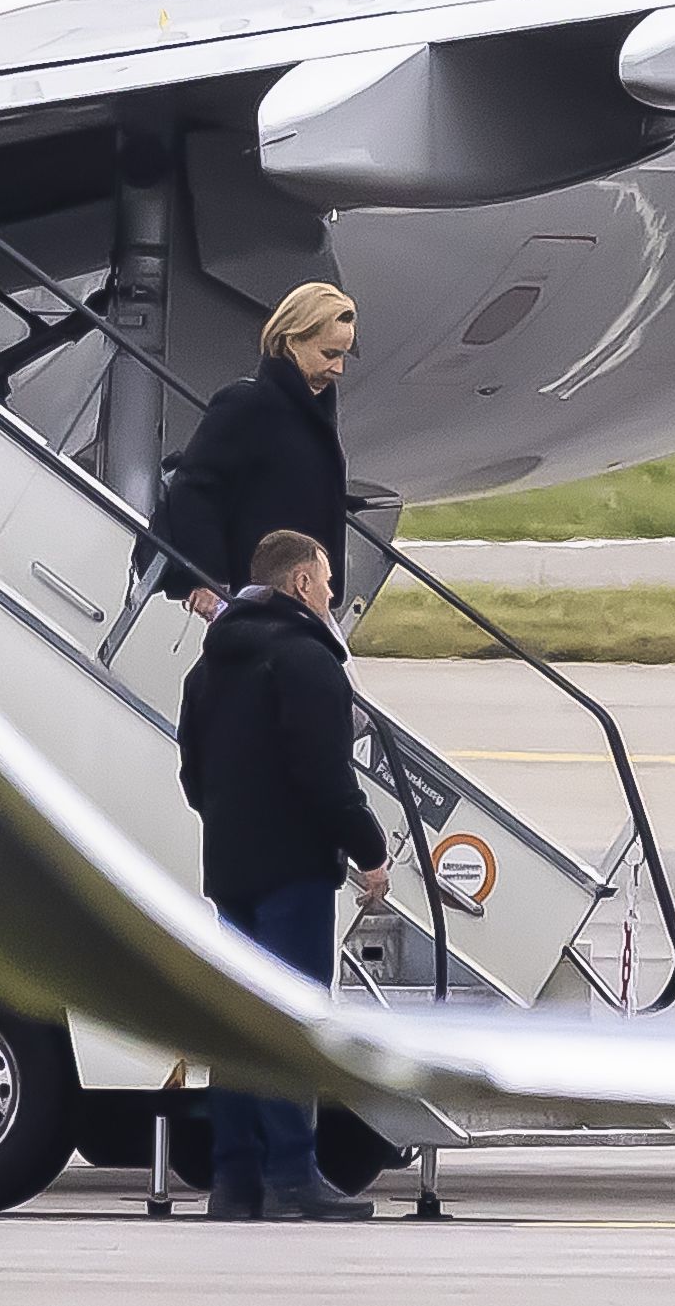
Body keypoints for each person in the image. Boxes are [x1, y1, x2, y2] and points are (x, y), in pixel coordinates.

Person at [178, 528, 391, 1221]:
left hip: (231, 866)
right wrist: (369, 848)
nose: (332, 595)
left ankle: (234, 1181)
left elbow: (193, 775)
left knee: (240, 1023)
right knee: (294, 1020)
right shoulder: (308, 663)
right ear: (301, 584)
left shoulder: (208, 669)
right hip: (294, 870)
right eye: (326, 581)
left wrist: (234, 824)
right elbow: (325, 777)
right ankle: (294, 1174)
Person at [161, 282, 358, 618]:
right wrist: (208, 577)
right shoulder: (246, 405)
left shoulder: (315, 415)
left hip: (301, 597)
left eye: (342, 356)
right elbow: (195, 491)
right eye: (329, 354)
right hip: (260, 598)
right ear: (291, 341)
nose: (338, 370)